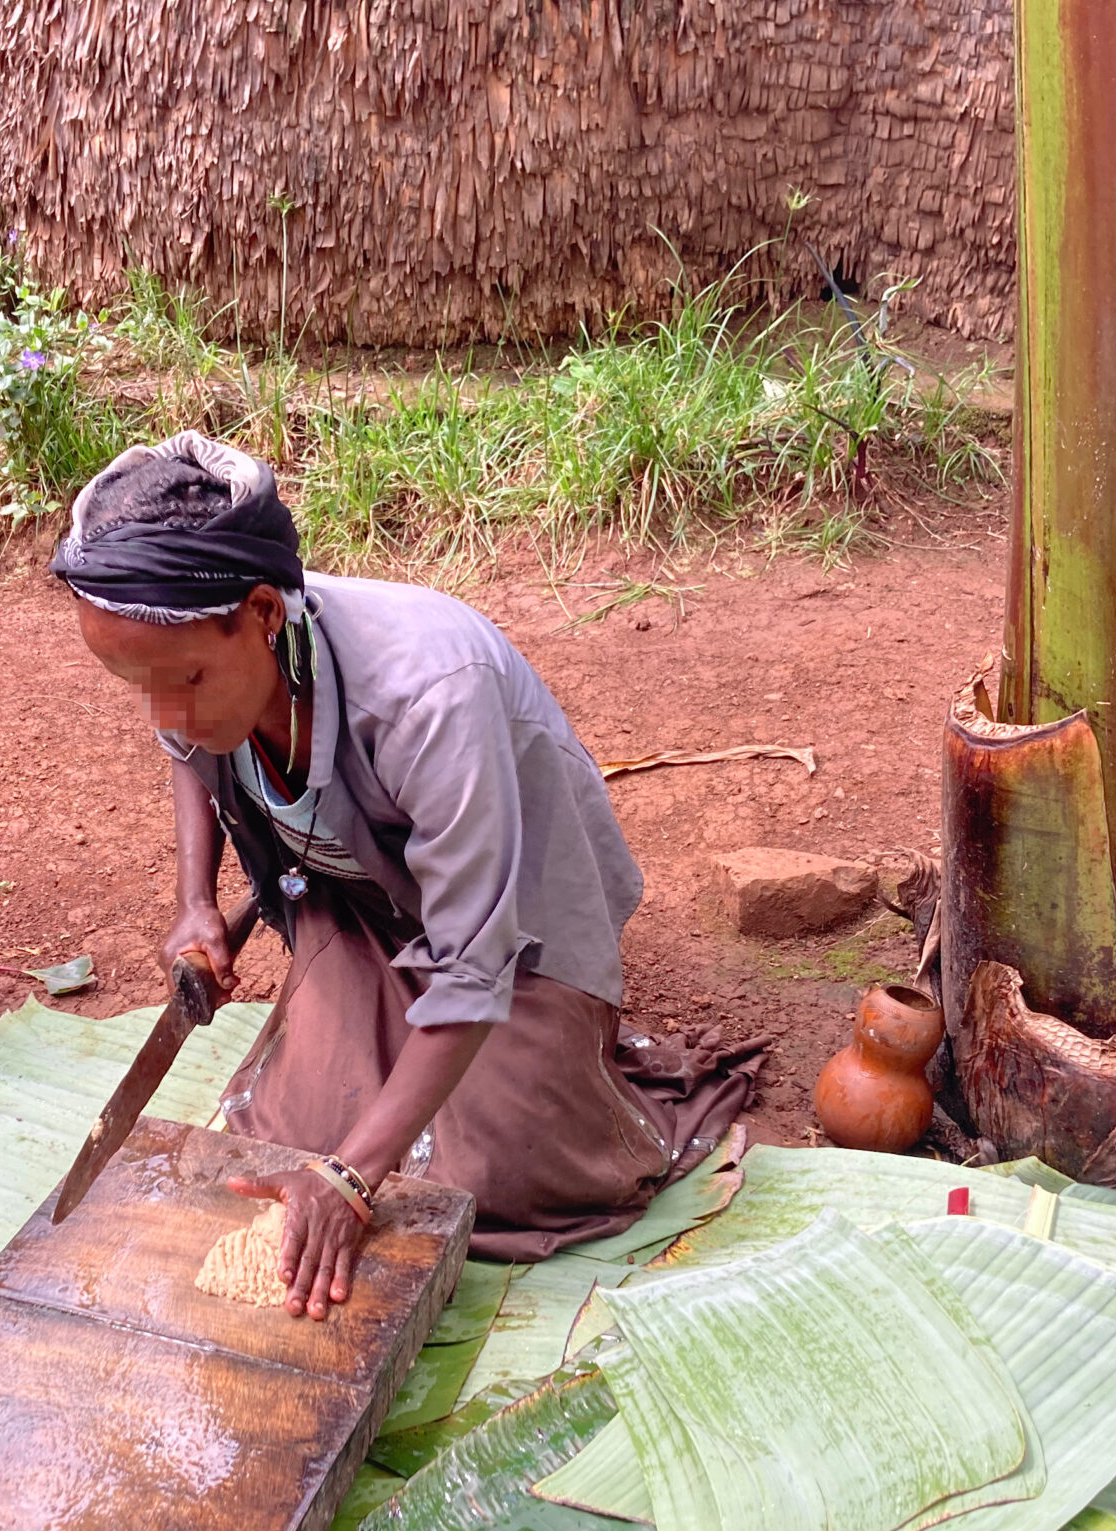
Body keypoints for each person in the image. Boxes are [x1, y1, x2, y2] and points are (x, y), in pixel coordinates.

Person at [53, 432, 757, 1320]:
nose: (166, 714)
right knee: (293, 1133)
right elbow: (190, 748)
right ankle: (369, 1048)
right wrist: (196, 902)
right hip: (364, 897)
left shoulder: (429, 696)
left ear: (264, 613)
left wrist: (352, 1179)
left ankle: (583, 1066)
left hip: (516, 924)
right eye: (136, 686)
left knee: (494, 1176)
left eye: (184, 680)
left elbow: (472, 962)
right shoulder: (194, 647)